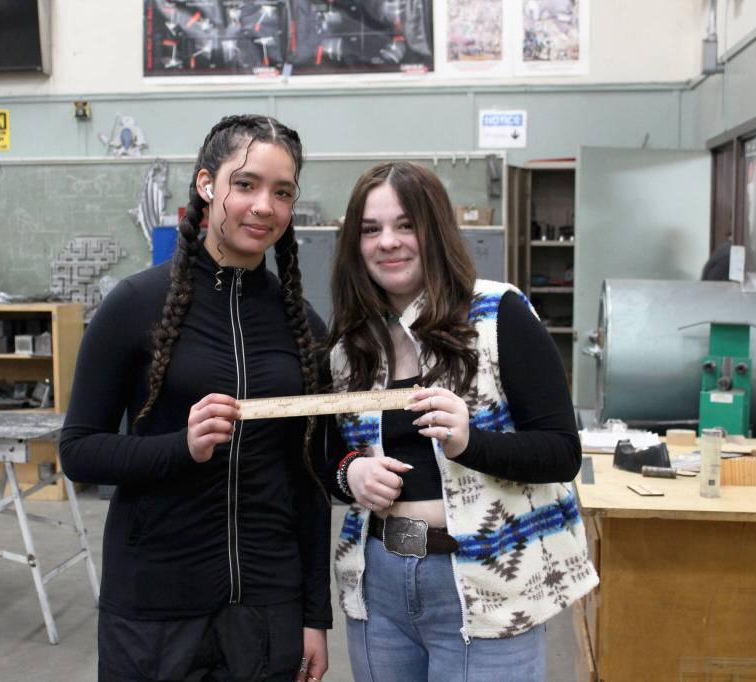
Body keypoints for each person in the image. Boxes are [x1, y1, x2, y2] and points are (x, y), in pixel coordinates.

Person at [59, 115, 331, 682]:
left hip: (266, 604)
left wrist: (313, 615)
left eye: (282, 192)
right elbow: (80, 452)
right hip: (156, 603)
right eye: (247, 184)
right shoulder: (134, 306)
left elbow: (307, 481)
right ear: (207, 185)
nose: (264, 206)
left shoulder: (301, 325)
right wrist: (179, 448)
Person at [324, 161, 598, 682]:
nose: (389, 242)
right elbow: (325, 456)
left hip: (488, 581)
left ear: (436, 231)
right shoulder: (350, 347)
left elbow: (562, 453)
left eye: (407, 225)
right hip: (380, 583)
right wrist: (350, 475)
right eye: (371, 229)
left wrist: (470, 442)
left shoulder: (499, 315)